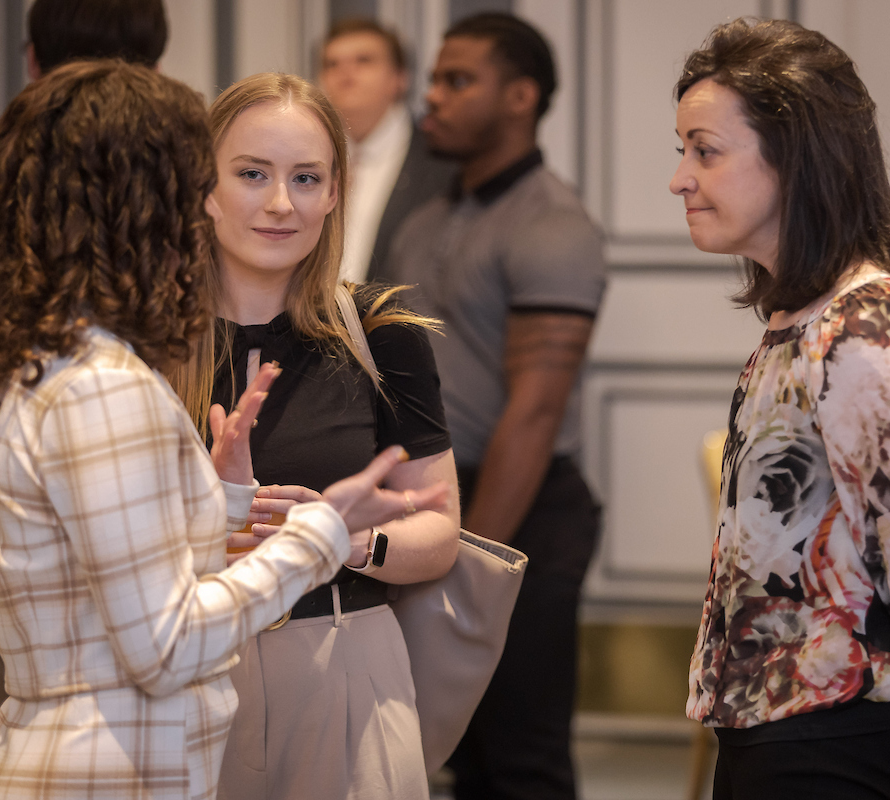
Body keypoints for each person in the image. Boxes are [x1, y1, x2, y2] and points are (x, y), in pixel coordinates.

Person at [0, 59, 445, 800]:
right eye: (227, 176)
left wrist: (228, 502)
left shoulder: (27, 361)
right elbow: (164, 645)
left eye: (307, 178)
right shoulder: (110, 378)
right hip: (113, 755)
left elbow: (116, 550)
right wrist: (323, 533)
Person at [669, 18, 890, 800]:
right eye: (682, 150)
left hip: (840, 741)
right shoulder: (803, 319)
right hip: (789, 735)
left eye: (705, 150)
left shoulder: (862, 327)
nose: (681, 178)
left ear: (794, 159)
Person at [163, 72, 461, 800]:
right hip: (183, 674)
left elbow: (440, 531)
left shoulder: (379, 334)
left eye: (305, 178)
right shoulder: (151, 341)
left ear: (334, 193)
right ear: (204, 183)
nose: (279, 203)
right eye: (252, 174)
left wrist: (335, 539)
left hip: (342, 662)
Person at [0, 0, 171, 737]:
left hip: (10, 568)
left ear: (31, 60)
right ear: (156, 68)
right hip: (162, 556)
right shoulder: (183, 196)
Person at [385, 13, 606, 800]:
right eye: (435, 78)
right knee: (456, 756)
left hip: (523, 507)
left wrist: (465, 556)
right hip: (438, 497)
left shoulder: (553, 224)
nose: (431, 99)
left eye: (457, 80)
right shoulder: (426, 219)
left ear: (520, 96)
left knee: (522, 758)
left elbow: (536, 413)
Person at [317, 18, 454, 282]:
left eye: (364, 60)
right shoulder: (306, 158)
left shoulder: (442, 160)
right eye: (332, 64)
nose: (345, 73)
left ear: (400, 78)